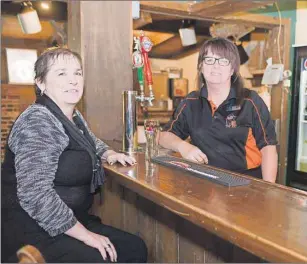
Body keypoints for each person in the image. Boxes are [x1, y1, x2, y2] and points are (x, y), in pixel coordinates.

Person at [1, 47, 147, 263]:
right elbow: (34, 194)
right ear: (41, 83)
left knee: (133, 248)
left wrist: (107, 152)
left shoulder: (72, 116)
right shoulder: (38, 121)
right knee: (100, 258)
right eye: (62, 73)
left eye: (77, 73)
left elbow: (88, 140)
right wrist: (86, 235)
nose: (73, 80)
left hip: (70, 220)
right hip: (32, 227)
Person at [159, 37, 278, 182]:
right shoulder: (191, 102)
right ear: (201, 67)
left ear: (232, 69)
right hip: (204, 182)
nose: (215, 66)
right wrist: (183, 146)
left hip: (245, 184)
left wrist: (268, 190)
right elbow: (164, 136)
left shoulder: (250, 101)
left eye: (223, 61)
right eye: (209, 60)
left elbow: (268, 148)